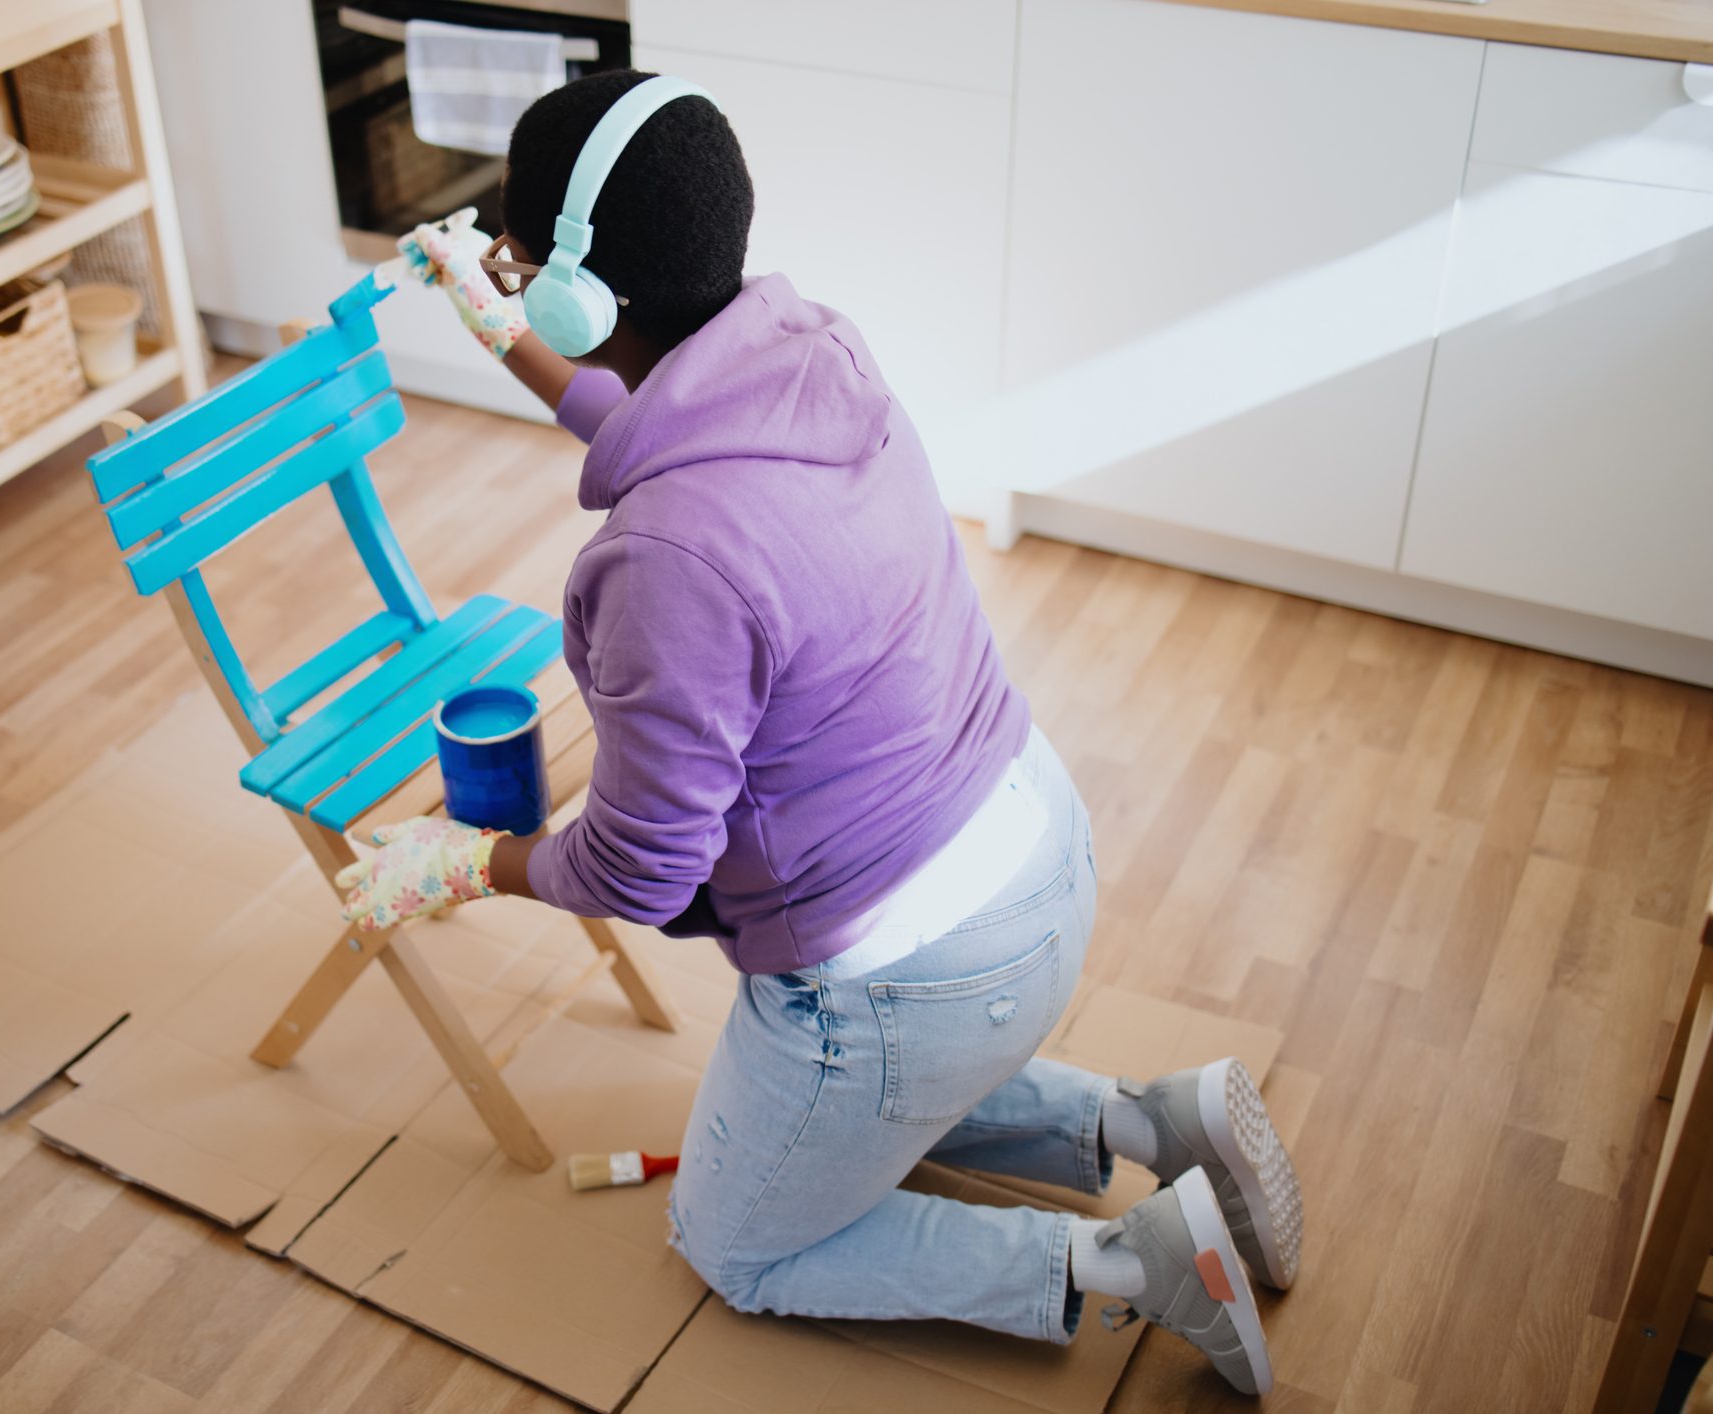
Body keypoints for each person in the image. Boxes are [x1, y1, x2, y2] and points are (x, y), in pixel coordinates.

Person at [335, 69, 1301, 1397]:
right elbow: (657, 425)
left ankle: (1132, 1267)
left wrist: (460, 861)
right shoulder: (808, 353)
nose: (500, 264)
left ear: (582, 294)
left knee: (735, 1242)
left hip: (912, 985)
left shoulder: (665, 561)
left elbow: (639, 870)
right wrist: (503, 328)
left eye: (511, 246)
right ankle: (1148, 1117)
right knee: (880, 1096)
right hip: (1038, 860)